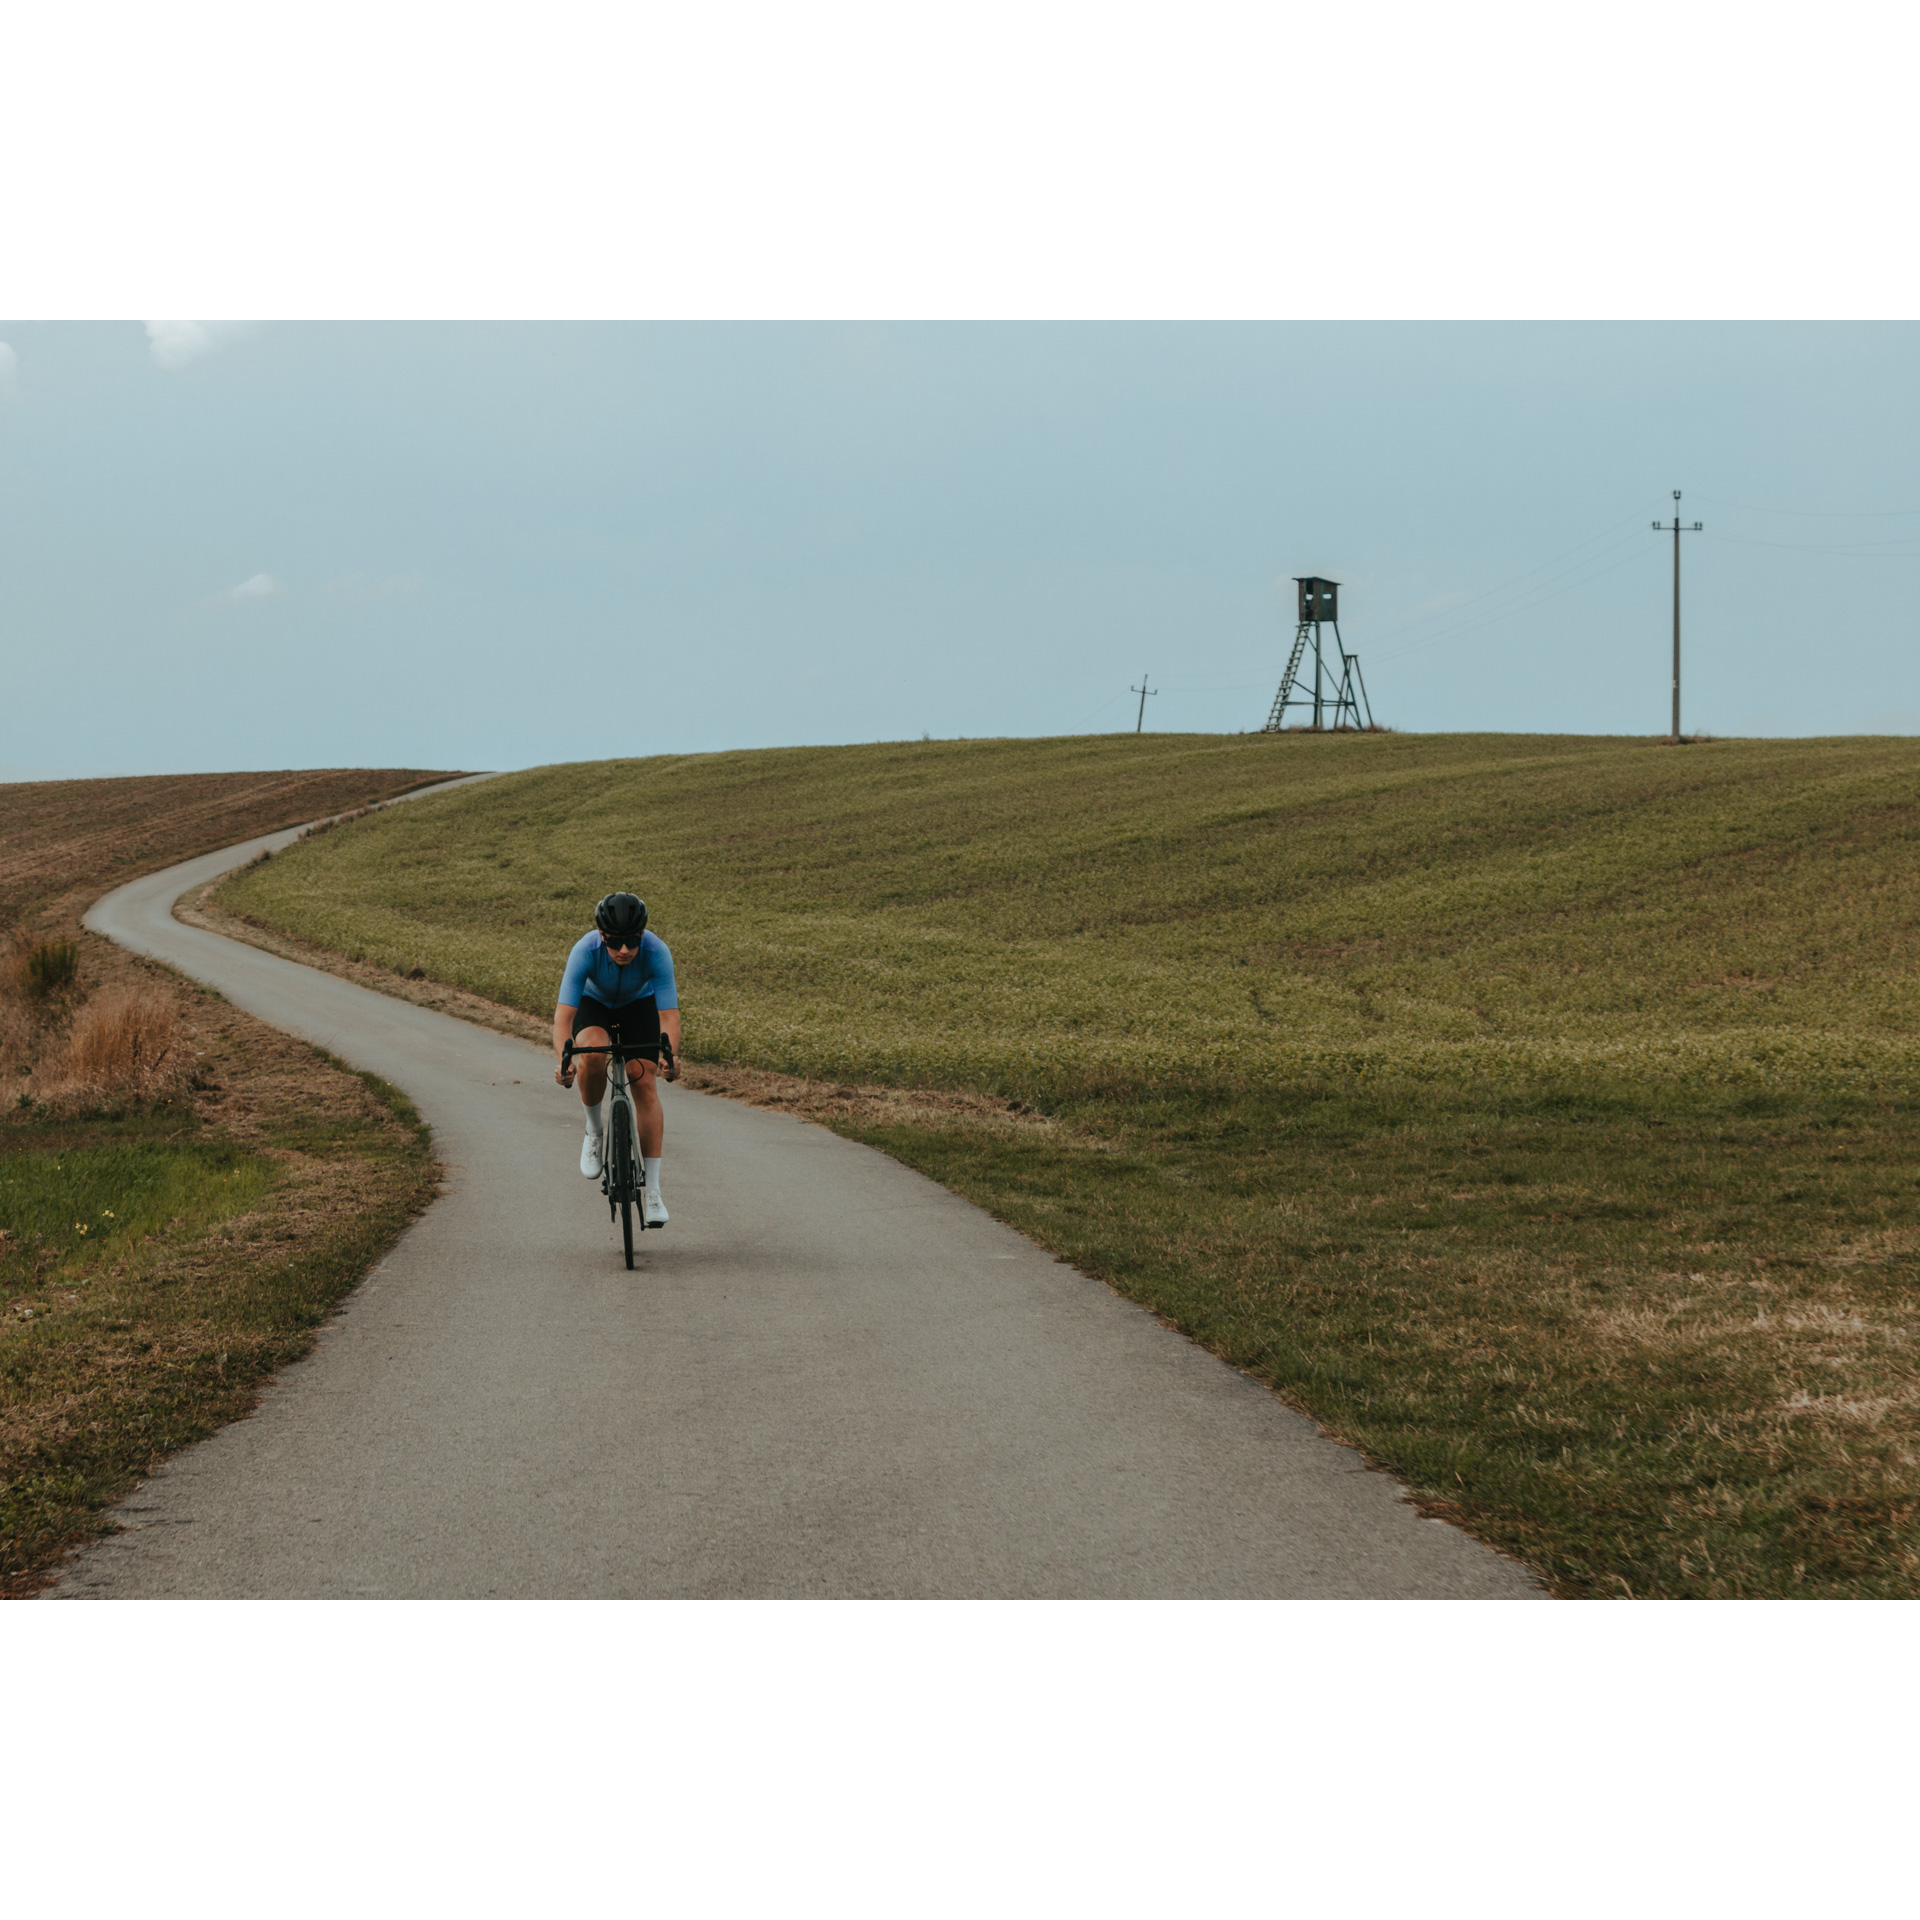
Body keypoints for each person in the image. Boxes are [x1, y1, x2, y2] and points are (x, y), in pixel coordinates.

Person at [553, 891, 681, 1226]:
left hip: (639, 1005)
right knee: (592, 1054)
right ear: (601, 936)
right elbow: (563, 1018)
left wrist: (671, 1056)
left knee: (644, 1079)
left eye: (631, 942)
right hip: (594, 1004)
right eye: (615, 942)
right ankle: (595, 1130)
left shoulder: (656, 951)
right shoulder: (585, 951)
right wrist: (564, 1060)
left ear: (641, 936)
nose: (624, 950)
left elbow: (668, 1016)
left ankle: (652, 1191)